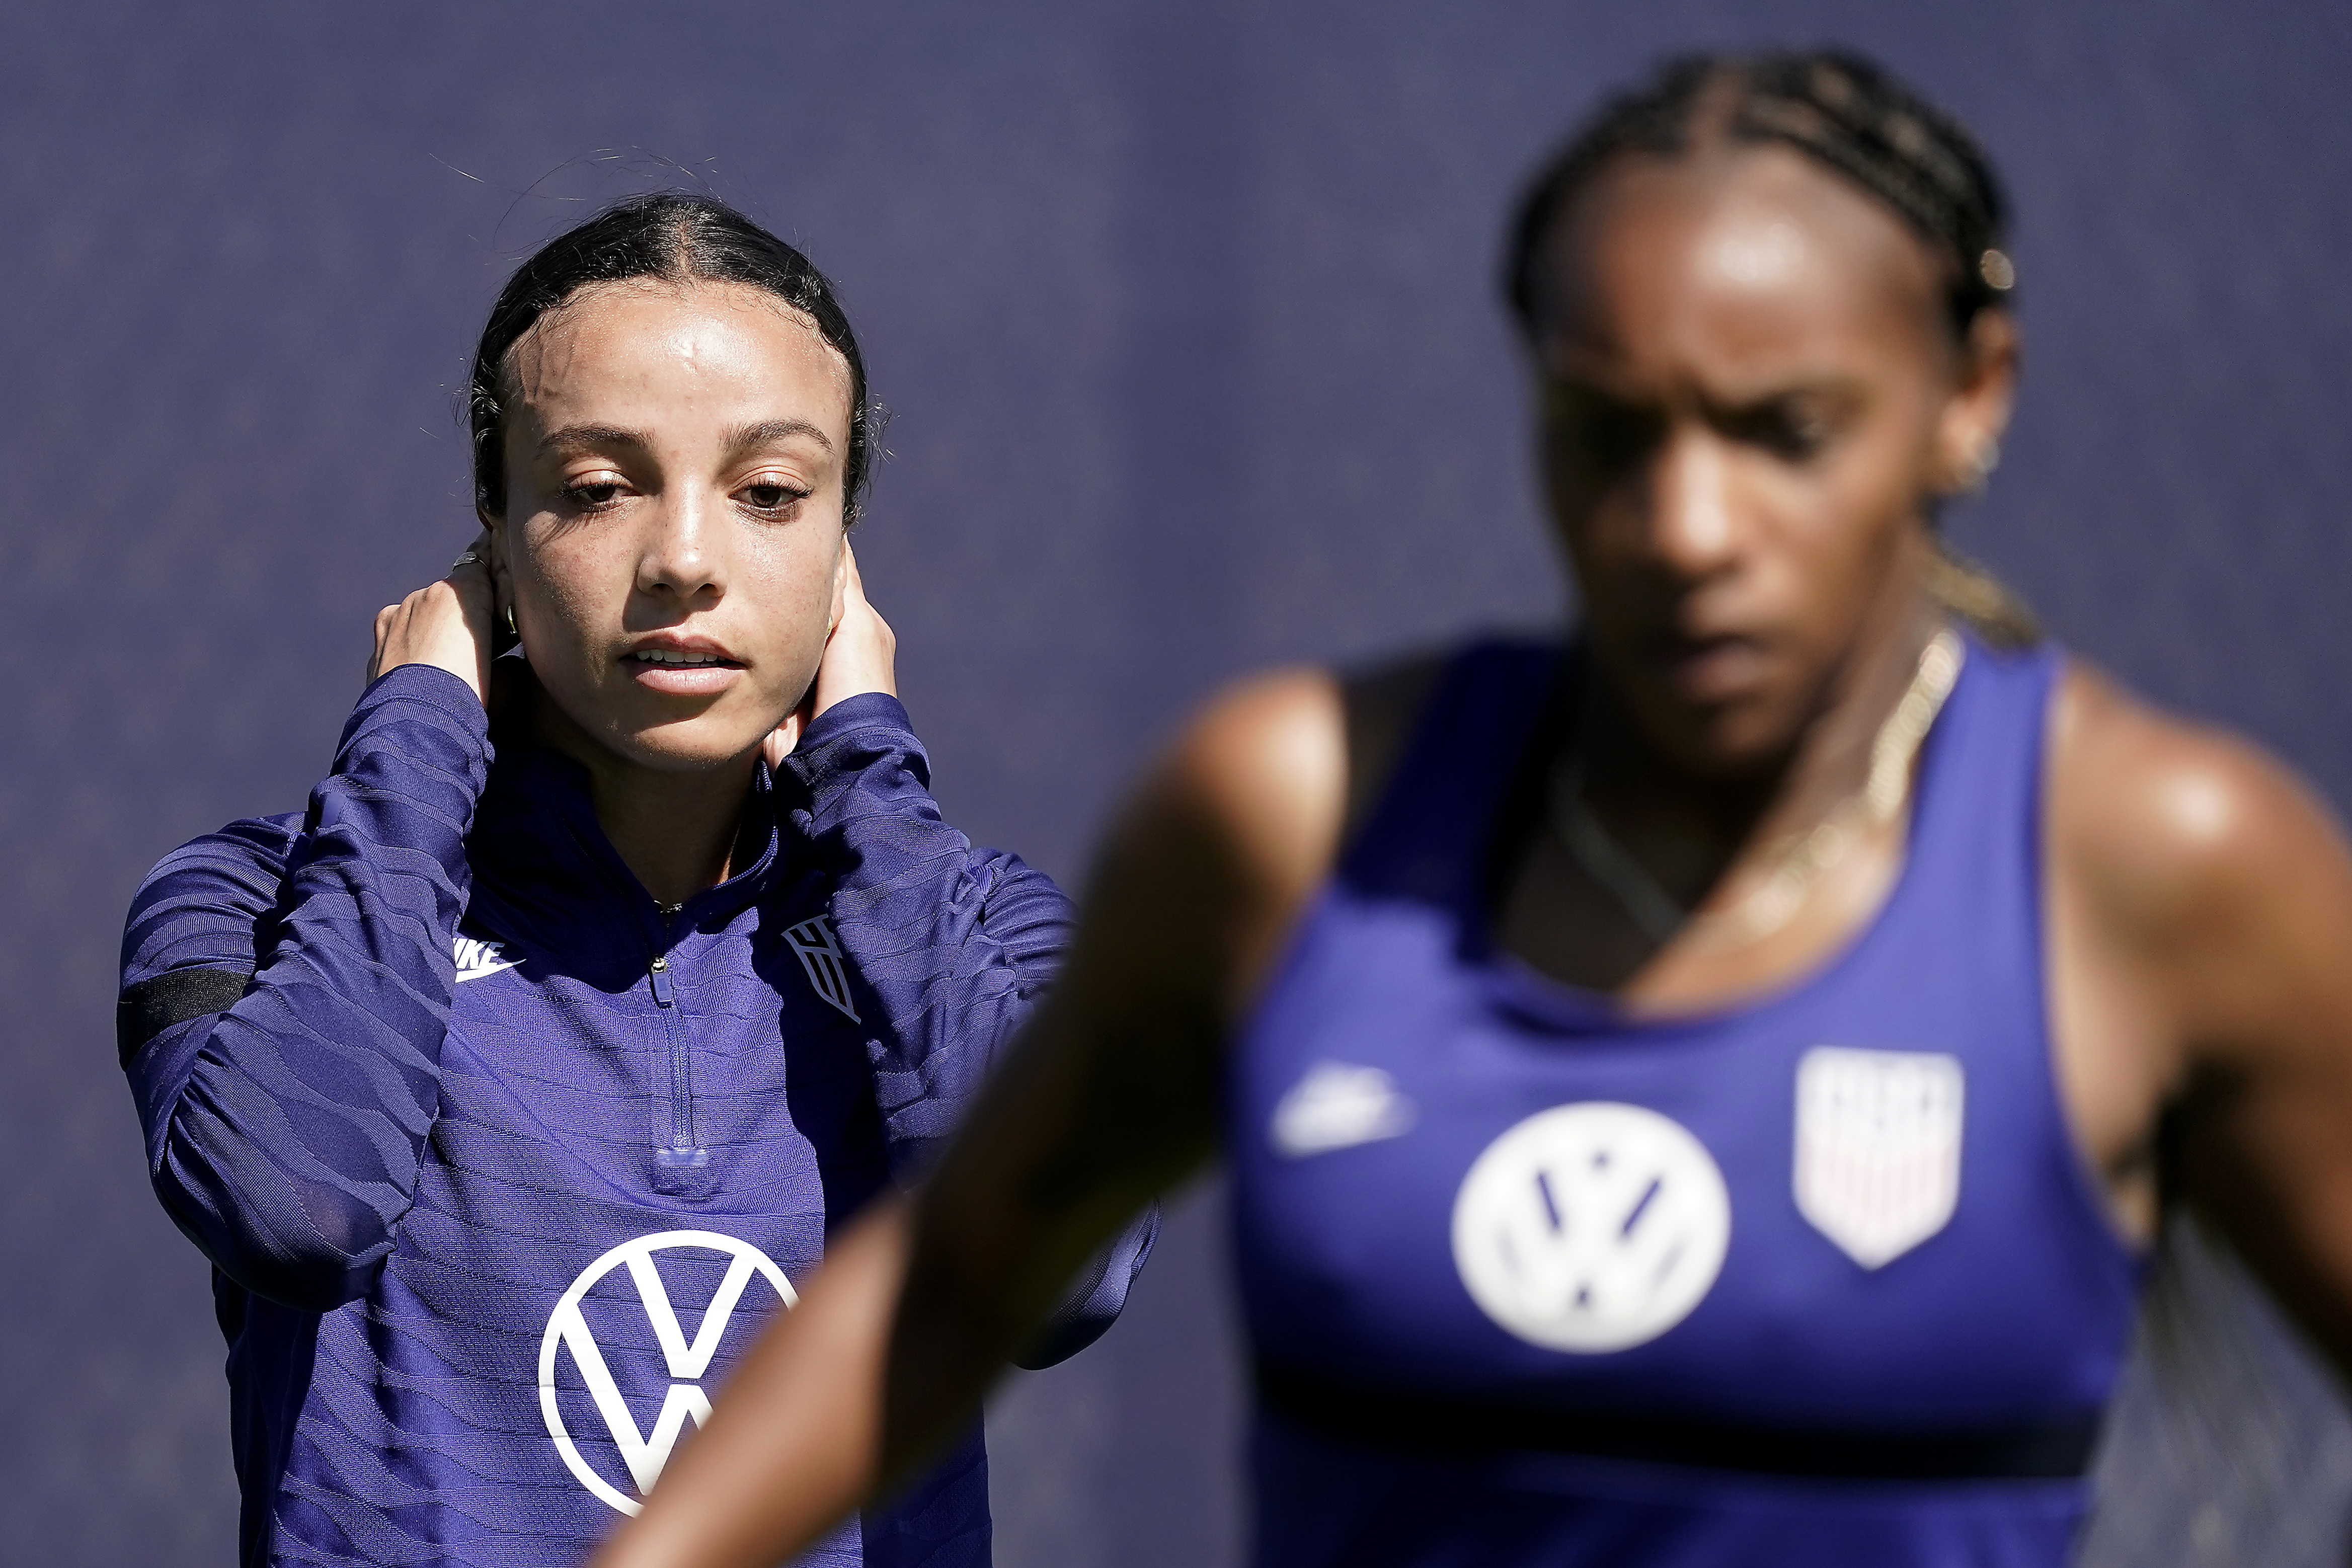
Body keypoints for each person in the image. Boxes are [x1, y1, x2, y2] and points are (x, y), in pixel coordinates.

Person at [593, 50, 2352, 1568]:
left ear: (1968, 398)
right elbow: (947, 1286)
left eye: (1783, 430)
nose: (1685, 523)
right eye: (1608, 434)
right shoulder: (1291, 817)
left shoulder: (2159, 864)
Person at [115, 192, 1153, 1568]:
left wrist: (867, 771)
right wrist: (419, 732)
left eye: (771, 493)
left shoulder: (986, 930)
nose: (682, 559)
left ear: (845, 549)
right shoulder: (256, 900)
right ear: (493, 528)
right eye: (598, 487)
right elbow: (296, 1205)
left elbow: (1061, 1276)